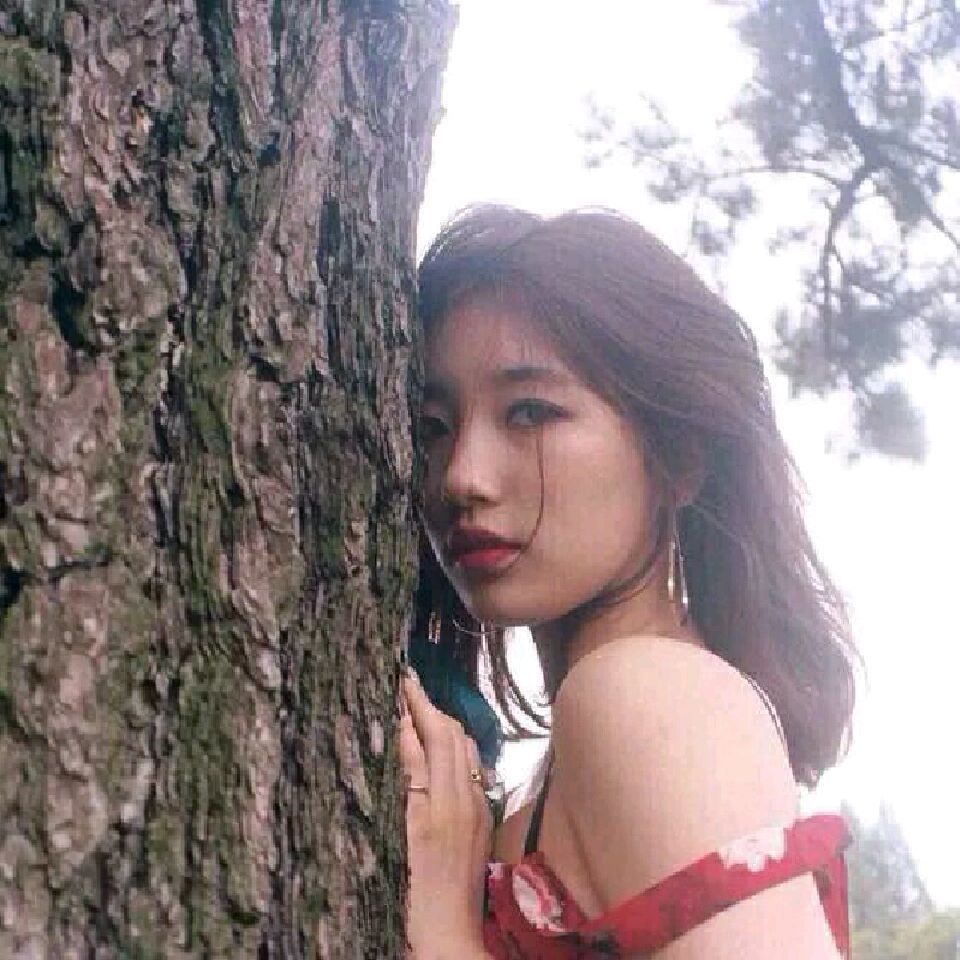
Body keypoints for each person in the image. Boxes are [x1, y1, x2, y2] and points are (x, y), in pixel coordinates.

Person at [398, 205, 858, 959]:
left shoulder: (646, 695)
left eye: (530, 413)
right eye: (433, 427)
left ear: (678, 458)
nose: (461, 477)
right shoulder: (563, 764)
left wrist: (445, 932)